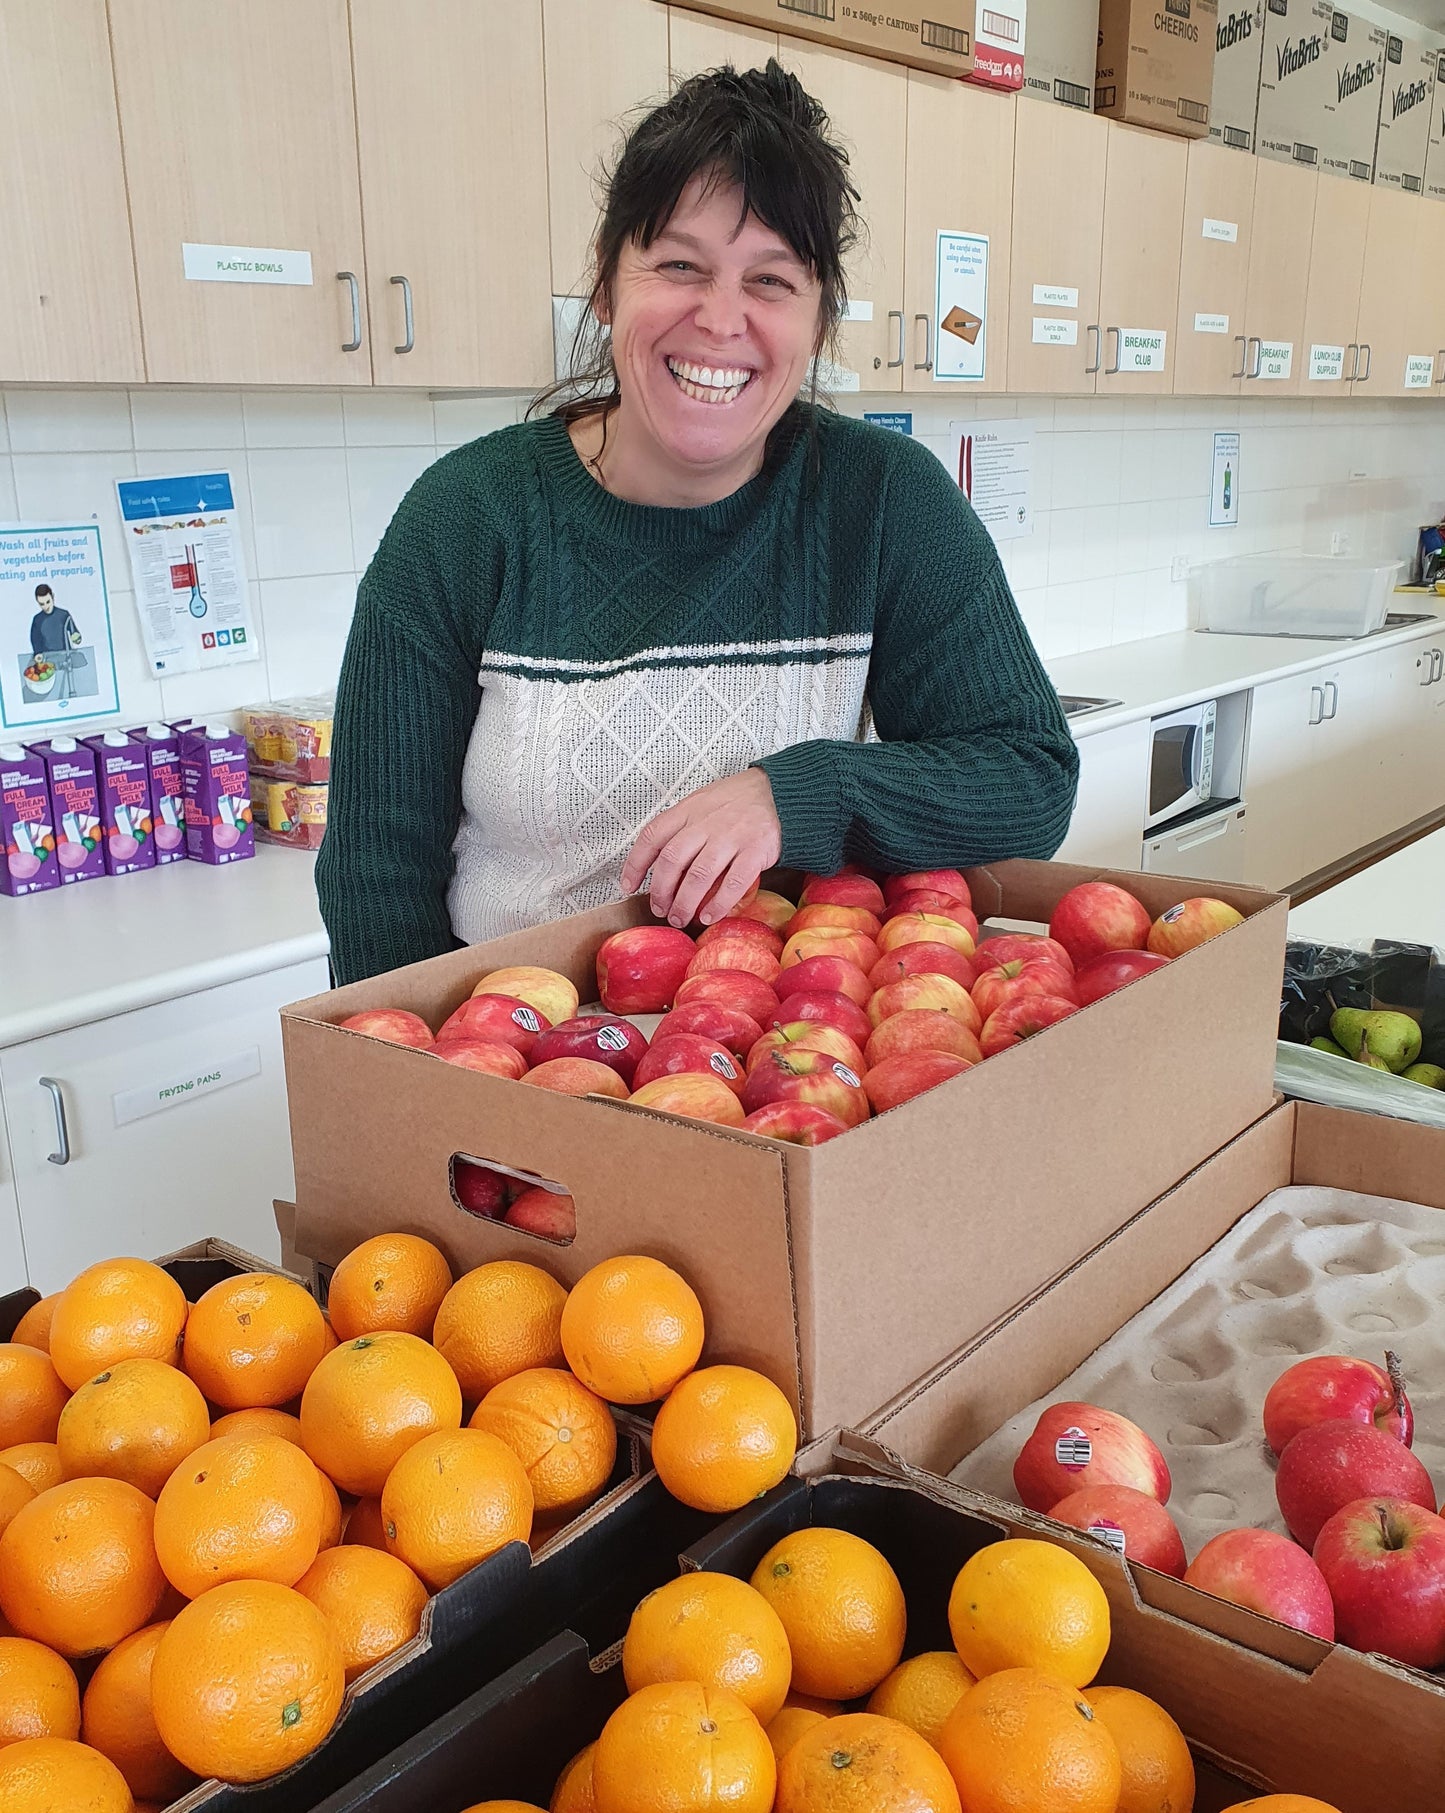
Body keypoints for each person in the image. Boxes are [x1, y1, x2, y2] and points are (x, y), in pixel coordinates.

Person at [318, 60, 1077, 987]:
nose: (722, 320)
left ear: (819, 316)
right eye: (680, 265)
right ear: (606, 286)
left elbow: (1028, 776)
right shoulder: (466, 520)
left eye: (771, 280)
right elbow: (374, 878)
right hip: (516, 1067)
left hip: (787, 1065)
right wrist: (425, 1094)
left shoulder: (881, 500)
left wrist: (794, 794)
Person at [29, 585, 82, 657]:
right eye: (42, 604)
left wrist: (77, 639)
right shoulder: (37, 620)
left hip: (66, 657)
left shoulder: (64, 615)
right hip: (47, 662)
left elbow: (75, 634)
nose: (46, 607)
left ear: (53, 597)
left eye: (48, 602)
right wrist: (38, 653)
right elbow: (35, 640)